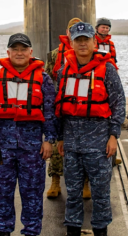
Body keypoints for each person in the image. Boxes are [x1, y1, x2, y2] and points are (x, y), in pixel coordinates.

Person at [0, 33, 57, 236]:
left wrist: (49, 140)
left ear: (31, 52)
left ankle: (31, 235)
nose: (20, 53)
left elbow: (51, 112)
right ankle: (3, 234)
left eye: (24, 49)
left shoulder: (43, 79)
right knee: (1, 192)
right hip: (3, 148)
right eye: (15, 49)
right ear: (9, 53)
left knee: (32, 192)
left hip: (32, 148)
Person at [55, 22, 125, 236]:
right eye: (78, 40)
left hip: (99, 141)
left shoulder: (108, 70)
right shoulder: (64, 71)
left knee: (101, 192)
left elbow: (118, 104)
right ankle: (72, 234)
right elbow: (58, 107)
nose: (82, 43)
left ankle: (101, 235)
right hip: (72, 141)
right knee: (73, 192)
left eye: (86, 39)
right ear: (72, 43)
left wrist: (114, 135)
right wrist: (59, 137)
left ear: (95, 42)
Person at [44, 17, 94, 199]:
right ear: (68, 34)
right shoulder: (54, 55)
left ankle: (85, 183)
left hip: (83, 107)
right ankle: (55, 181)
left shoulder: (91, 57)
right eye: (71, 29)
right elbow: (47, 80)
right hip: (61, 105)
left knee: (85, 148)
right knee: (58, 147)